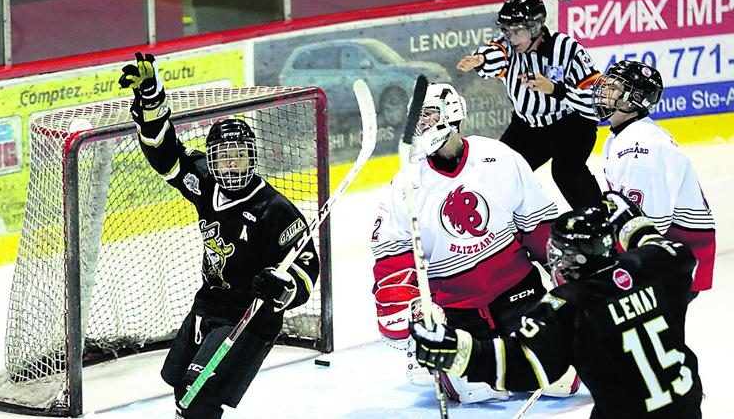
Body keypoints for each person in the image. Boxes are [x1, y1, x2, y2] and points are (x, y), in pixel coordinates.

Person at [119, 53, 320, 419]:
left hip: (250, 316)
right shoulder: (203, 183)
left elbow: (307, 264)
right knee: (180, 384)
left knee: (199, 399)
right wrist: (151, 101)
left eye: (239, 156)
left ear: (252, 158)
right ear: (211, 159)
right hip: (208, 304)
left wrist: (285, 288)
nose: (231, 164)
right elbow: (165, 156)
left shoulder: (274, 210)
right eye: (224, 156)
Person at [370, 82, 579, 404]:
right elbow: (393, 258)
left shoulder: (497, 156)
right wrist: (405, 305)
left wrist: (563, 269)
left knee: (559, 381)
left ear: (452, 114)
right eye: (417, 119)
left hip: (517, 295)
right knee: (475, 392)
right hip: (458, 310)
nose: (422, 125)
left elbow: (537, 226)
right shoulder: (405, 184)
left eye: (428, 115)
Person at [411, 192, 703, 418]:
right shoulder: (651, 267)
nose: (555, 259)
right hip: (685, 408)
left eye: (560, 252)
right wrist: (634, 223)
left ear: (577, 259)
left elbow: (520, 364)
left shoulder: (570, 306)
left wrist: (454, 350)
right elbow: (676, 252)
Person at [456, 0, 602, 209]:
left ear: (535, 28)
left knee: (566, 172)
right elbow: (494, 54)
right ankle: (508, 228)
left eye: (516, 31)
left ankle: (602, 222)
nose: (510, 37)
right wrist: (481, 60)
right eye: (506, 30)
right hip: (528, 128)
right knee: (498, 172)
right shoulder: (507, 49)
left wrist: (555, 89)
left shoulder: (567, 49)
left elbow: (595, 101)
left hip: (571, 125)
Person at [592, 60, 716, 299]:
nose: (604, 92)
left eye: (614, 87)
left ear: (635, 100)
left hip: (675, 260)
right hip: (668, 254)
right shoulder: (626, 135)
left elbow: (649, 226)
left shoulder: (641, 150)